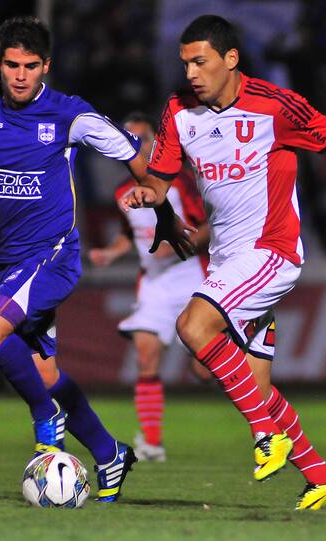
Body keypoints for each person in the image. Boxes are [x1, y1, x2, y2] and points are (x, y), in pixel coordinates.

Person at [120, 15, 326, 510]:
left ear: (231, 59)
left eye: (200, 62)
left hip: (273, 251)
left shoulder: (275, 106)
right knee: (256, 388)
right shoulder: (179, 112)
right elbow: (161, 178)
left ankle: (266, 437)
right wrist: (150, 192)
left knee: (193, 326)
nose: (191, 74)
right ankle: (322, 476)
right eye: (185, 64)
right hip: (228, 261)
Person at [0, 16, 147, 503]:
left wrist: (157, 200)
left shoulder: (69, 115)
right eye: (12, 65)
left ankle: (46, 416)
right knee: (46, 374)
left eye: (31, 66)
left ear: (45, 66)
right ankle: (110, 452)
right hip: (7, 262)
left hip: (52, 256)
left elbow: (133, 153)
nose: (21, 75)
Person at [88, 112, 210, 462]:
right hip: (154, 282)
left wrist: (181, 245)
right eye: (127, 140)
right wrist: (111, 253)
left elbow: (209, 226)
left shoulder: (180, 183)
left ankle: (262, 421)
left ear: (156, 144)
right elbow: (132, 232)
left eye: (140, 140)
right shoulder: (121, 192)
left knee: (205, 369)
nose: (134, 147)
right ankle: (152, 444)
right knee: (146, 355)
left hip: (192, 278)